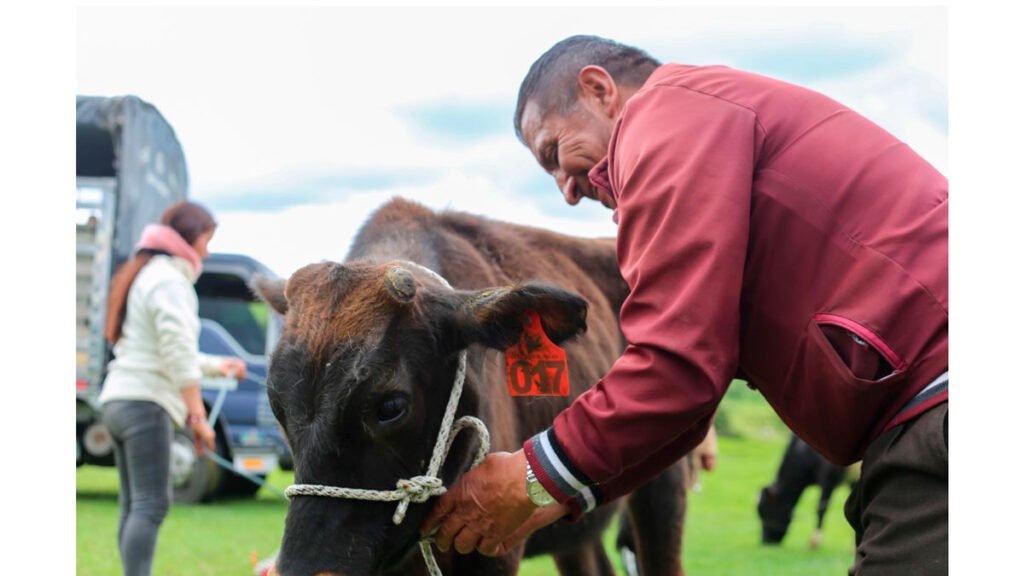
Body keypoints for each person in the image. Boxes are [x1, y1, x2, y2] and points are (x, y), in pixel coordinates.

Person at [422, 35, 947, 575]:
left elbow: (678, 364)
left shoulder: (667, 114)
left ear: (599, 90)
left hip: (937, 403)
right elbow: (690, 403)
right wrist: (562, 495)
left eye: (554, 151)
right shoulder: (704, 119)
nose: (566, 192)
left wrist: (533, 474)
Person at [99, 201, 247, 576]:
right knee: (151, 505)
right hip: (145, 403)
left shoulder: (148, 274)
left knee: (135, 504)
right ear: (190, 238)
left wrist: (219, 366)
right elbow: (177, 355)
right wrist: (198, 416)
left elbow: (167, 350)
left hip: (120, 399)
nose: (207, 252)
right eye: (207, 241)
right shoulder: (170, 280)